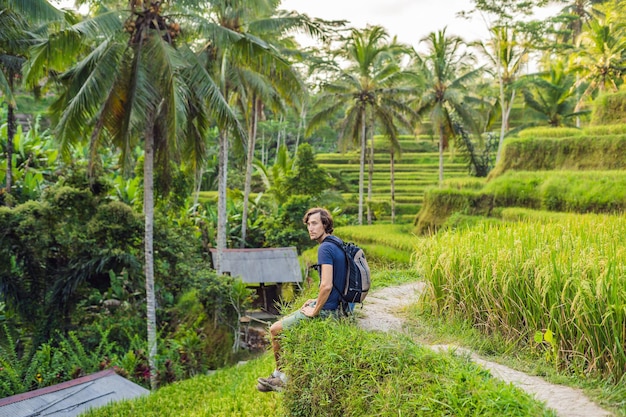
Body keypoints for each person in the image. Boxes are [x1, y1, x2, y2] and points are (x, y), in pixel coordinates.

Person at [256, 207, 348, 393]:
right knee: (289, 319)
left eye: (315, 223)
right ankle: (277, 377)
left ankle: (281, 377)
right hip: (338, 304)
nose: (310, 228)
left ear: (325, 224)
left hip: (328, 310)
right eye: (308, 224)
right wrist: (316, 299)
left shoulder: (325, 249)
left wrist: (315, 310)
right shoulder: (336, 243)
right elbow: (338, 281)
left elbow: (327, 285)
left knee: (275, 329)